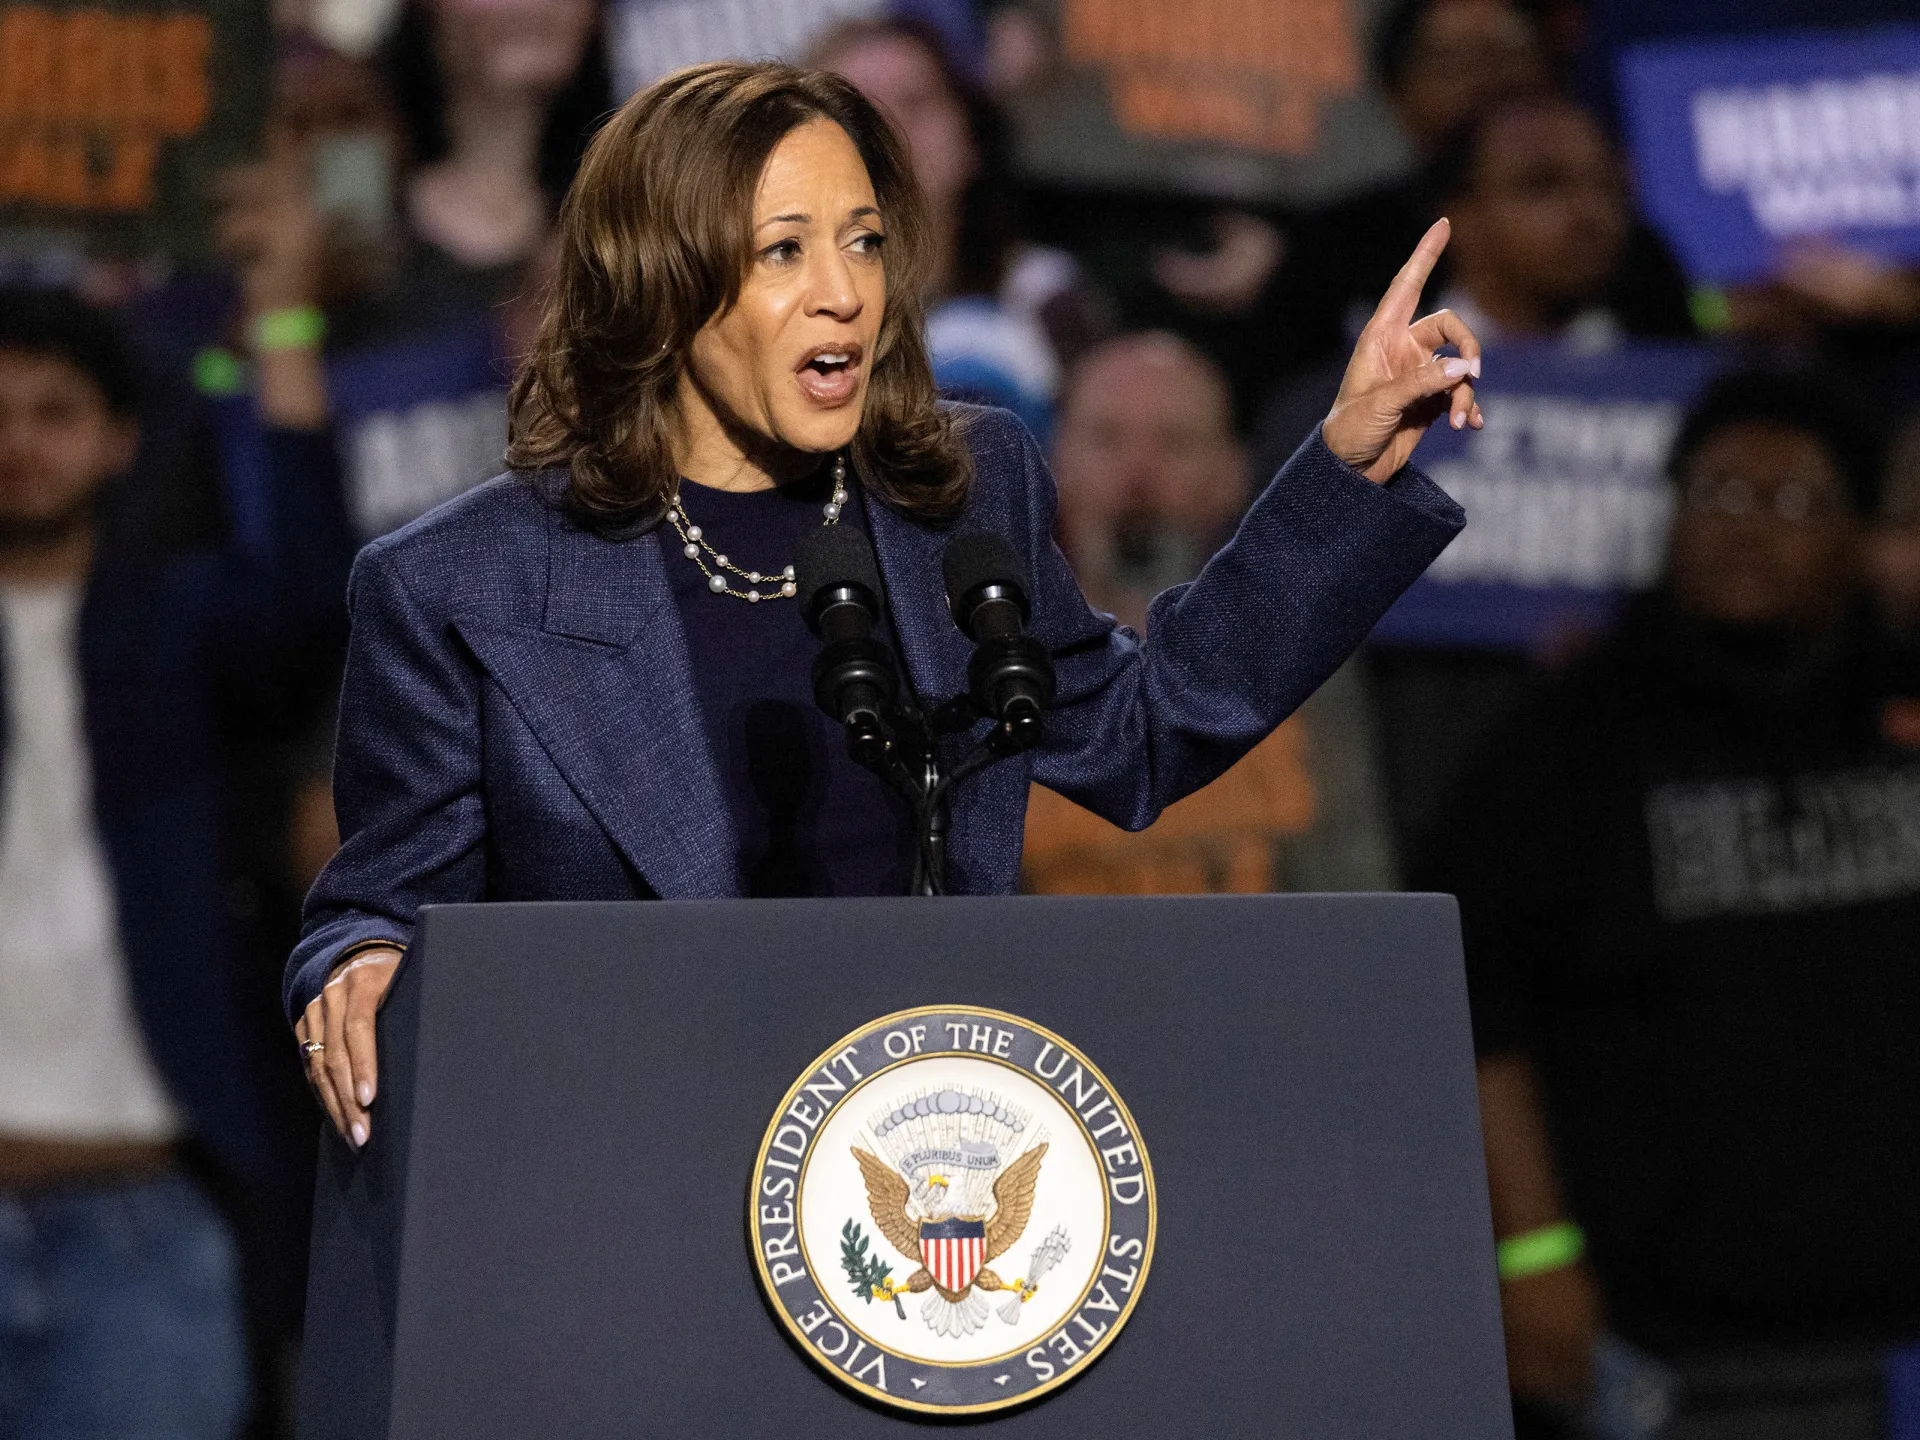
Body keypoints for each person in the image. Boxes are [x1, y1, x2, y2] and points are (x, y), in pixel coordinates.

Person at [284, 59, 1479, 1152]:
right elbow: (375, 906)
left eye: (862, 242)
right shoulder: (462, 585)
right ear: (662, 280)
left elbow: (1143, 729)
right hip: (628, 1161)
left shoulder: (958, 492)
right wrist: (362, 963)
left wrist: (1347, 464)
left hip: (922, 1168)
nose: (844, 294)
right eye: (783, 251)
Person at [1413, 370, 1920, 1439]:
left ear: (1860, 535)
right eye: (1719, 493)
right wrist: (1531, 1254)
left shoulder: (1902, 713)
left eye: (1793, 501)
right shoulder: (1569, 738)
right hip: (1664, 1347)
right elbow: (1470, 1008)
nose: (1748, 528)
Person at [0, 283, 353, 1434]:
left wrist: (285, 319)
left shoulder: (175, 624)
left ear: (119, 440)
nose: (18, 443)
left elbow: (314, 595)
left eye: (54, 413)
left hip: (144, 1218)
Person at [1022, 332, 1398, 896]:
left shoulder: (1304, 660)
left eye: (1175, 443)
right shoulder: (995, 664)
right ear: (1055, 465)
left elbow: (1359, 885)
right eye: (1106, 438)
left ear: (1232, 475)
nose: (1138, 475)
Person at [809, 17, 1071, 441]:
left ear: (970, 136)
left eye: (916, 102)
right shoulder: (760, 305)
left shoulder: (1047, 297)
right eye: (858, 113)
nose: (890, 129)